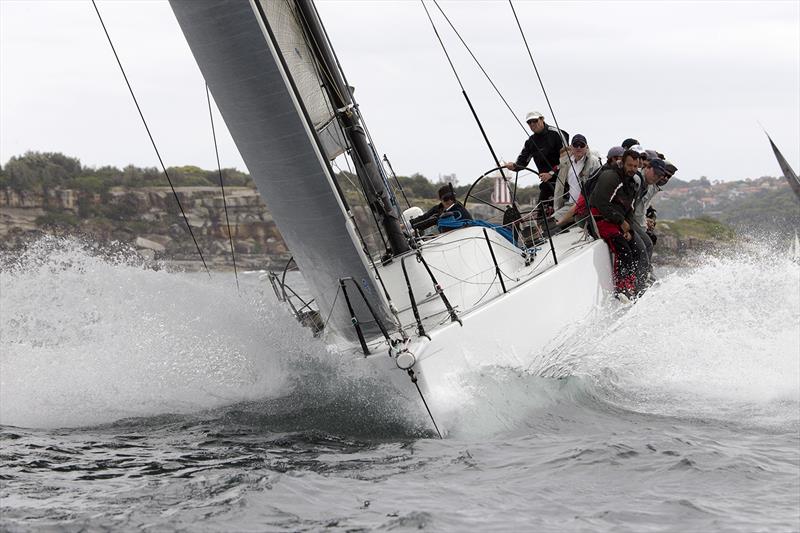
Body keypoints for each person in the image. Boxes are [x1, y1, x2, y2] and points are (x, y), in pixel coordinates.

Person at [589, 149, 648, 299]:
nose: (633, 169)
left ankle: (633, 285)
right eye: (630, 165)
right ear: (622, 163)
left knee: (636, 250)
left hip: (618, 222)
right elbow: (601, 203)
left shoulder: (633, 182)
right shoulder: (611, 177)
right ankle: (621, 289)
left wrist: (627, 227)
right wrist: (621, 222)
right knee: (624, 250)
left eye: (635, 166)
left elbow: (630, 208)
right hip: (600, 219)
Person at [504, 111, 568, 217]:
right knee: (542, 215)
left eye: (535, 121)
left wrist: (551, 173)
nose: (532, 124)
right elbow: (522, 162)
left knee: (561, 213)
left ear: (542, 119)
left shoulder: (557, 133)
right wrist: (513, 166)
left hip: (565, 181)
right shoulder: (530, 142)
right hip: (547, 185)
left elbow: (567, 159)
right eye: (529, 122)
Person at [552, 134, 601, 226]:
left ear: (586, 147)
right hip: (570, 205)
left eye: (582, 145)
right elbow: (559, 187)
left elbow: (598, 186)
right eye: (575, 145)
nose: (579, 147)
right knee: (551, 222)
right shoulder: (566, 163)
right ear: (571, 147)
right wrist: (557, 208)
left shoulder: (593, 162)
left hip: (587, 205)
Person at [630, 157, 669, 262]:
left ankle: (644, 272)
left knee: (648, 242)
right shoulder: (638, 180)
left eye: (660, 176)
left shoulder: (647, 184)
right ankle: (640, 276)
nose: (656, 177)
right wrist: (644, 227)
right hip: (624, 218)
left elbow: (641, 210)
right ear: (647, 168)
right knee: (647, 244)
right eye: (655, 173)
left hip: (629, 218)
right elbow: (636, 211)